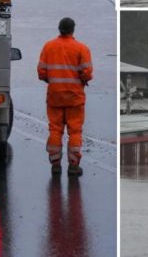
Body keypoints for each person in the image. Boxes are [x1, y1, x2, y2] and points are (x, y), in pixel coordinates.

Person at [38, 17, 93, 176]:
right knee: (75, 132)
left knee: (55, 130)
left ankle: (55, 165)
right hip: (75, 98)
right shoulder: (82, 49)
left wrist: (52, 81)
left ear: (59, 28)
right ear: (73, 30)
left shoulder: (48, 47)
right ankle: (73, 166)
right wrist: (81, 81)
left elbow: (41, 72)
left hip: (55, 96)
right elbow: (87, 73)